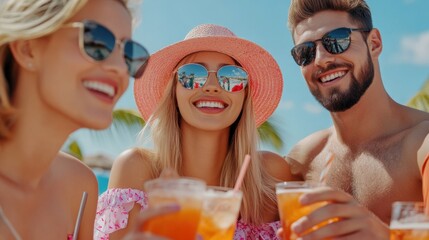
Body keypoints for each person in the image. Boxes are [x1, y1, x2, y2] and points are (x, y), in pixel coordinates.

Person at [94, 24, 292, 239]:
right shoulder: (137, 168)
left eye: (232, 76)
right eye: (193, 74)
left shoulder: (271, 174)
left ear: (244, 96)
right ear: (174, 92)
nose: (211, 86)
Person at [0, 0, 149, 239]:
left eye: (128, 54)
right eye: (96, 42)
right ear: (27, 48)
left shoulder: (80, 187)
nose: (119, 68)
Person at [282, 0, 429, 239]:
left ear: (374, 43)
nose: (320, 59)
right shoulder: (303, 161)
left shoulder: (422, 145)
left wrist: (385, 236)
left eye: (338, 40)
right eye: (305, 52)